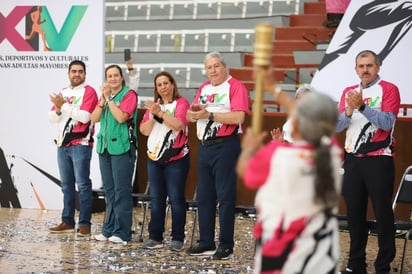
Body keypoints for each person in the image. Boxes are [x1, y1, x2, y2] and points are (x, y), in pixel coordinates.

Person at [237, 67, 343, 273]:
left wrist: (248, 150)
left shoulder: (278, 154)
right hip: (322, 254)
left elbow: (246, 174)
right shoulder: (331, 154)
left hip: (281, 251)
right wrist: (274, 90)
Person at [337, 50, 400, 274]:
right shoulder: (348, 92)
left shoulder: (389, 89)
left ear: (378, 67)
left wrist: (363, 107)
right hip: (353, 160)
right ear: (356, 69)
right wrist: (348, 109)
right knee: (354, 215)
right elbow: (337, 126)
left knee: (383, 214)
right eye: (361, 66)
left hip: (379, 159)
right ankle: (356, 264)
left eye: (369, 65)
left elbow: (386, 123)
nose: (365, 69)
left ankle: (382, 266)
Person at [185, 51, 249, 260]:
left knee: (225, 196)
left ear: (224, 67)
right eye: (209, 67)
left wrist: (209, 114)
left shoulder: (235, 86)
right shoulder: (203, 88)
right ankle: (206, 242)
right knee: (204, 196)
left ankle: (226, 245)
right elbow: (189, 115)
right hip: (204, 146)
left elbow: (239, 116)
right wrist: (194, 111)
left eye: (216, 66)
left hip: (225, 144)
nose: (212, 70)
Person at [139, 71, 190, 251]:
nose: (163, 87)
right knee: (156, 199)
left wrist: (160, 113)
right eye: (159, 85)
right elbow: (144, 131)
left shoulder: (181, 103)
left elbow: (178, 125)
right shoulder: (153, 107)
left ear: (173, 85)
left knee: (176, 199)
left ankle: (177, 238)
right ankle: (155, 237)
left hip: (176, 159)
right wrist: (153, 115)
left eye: (165, 83)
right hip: (154, 159)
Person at [48, 60, 98, 236]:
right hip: (62, 144)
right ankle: (67, 221)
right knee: (67, 186)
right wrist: (60, 109)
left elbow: (85, 117)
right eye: (74, 71)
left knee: (83, 185)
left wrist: (63, 106)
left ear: (84, 74)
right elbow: (52, 117)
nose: (77, 74)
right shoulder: (63, 92)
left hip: (81, 144)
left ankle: (85, 223)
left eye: (80, 71)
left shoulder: (89, 91)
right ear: (69, 73)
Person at [90, 64, 138, 244]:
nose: (112, 79)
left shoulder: (129, 95)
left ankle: (122, 233)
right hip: (105, 148)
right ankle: (108, 230)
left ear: (121, 77)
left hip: (122, 148)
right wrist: (103, 100)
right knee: (109, 192)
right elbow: (94, 118)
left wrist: (109, 97)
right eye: (109, 76)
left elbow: (121, 117)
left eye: (115, 75)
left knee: (121, 191)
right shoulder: (105, 98)